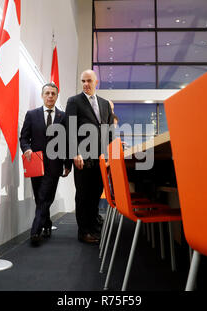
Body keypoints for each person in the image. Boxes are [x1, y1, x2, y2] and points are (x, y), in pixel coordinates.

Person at [65, 70, 114, 244]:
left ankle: (93, 228)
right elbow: (69, 129)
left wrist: (109, 155)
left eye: (89, 81)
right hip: (82, 157)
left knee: (95, 194)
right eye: (83, 81)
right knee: (83, 195)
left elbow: (109, 131)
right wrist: (74, 153)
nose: (86, 84)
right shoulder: (74, 101)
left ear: (96, 82)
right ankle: (83, 232)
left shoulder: (105, 104)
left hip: (100, 158)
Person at [20, 83, 70, 246]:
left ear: (56, 96)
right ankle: (47, 223)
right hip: (36, 163)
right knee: (41, 198)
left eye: (53, 94)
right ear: (42, 96)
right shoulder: (31, 115)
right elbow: (24, 138)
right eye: (47, 93)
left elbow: (67, 142)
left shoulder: (63, 117)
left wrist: (68, 164)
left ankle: (35, 232)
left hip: (54, 165)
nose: (50, 96)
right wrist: (26, 149)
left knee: (44, 197)